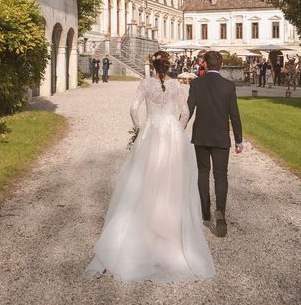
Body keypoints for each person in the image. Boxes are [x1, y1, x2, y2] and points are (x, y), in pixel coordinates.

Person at [86, 51, 215, 282]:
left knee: (143, 179)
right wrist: (178, 129)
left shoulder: (145, 83)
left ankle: (144, 228)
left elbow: (133, 109)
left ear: (153, 65)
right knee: (171, 182)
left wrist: (139, 129)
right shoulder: (177, 85)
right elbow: (185, 112)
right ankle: (169, 230)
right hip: (171, 134)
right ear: (168, 65)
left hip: (151, 132)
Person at [187, 51, 243, 238]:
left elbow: (188, 110)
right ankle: (220, 211)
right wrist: (238, 140)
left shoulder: (196, 84)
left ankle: (205, 212)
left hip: (201, 136)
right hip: (220, 137)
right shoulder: (228, 86)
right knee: (221, 175)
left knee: (203, 172)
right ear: (221, 64)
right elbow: (234, 114)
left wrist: (177, 129)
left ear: (204, 64)